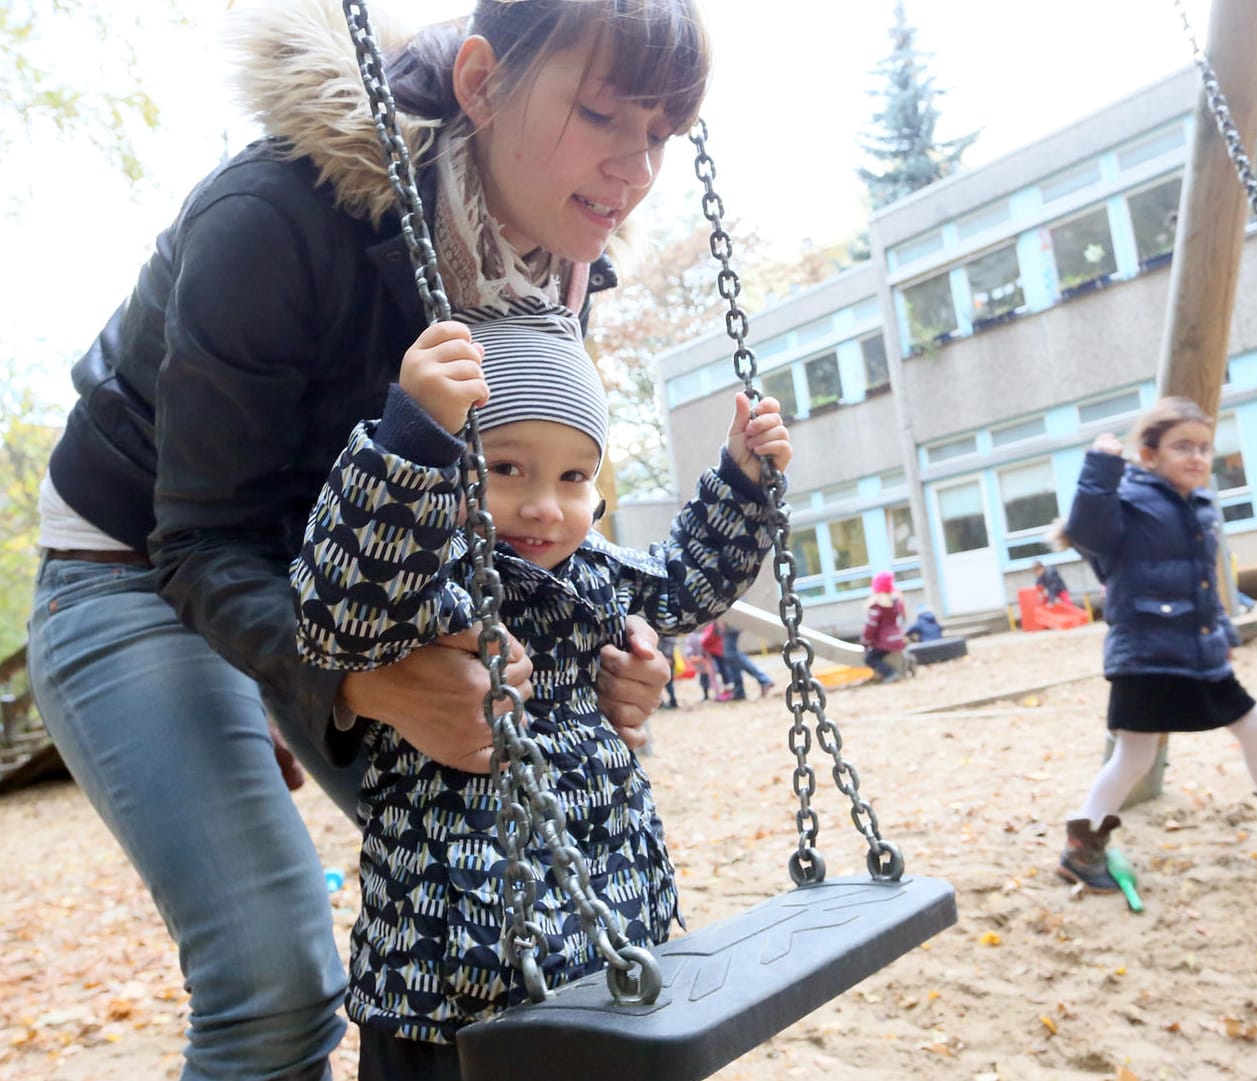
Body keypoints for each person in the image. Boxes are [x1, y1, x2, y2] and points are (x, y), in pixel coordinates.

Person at [26, 2, 706, 1077]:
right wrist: (364, 686)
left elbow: (523, 513)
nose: (636, 167)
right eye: (601, 114)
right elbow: (202, 538)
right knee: (275, 980)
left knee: (530, 912)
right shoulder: (277, 214)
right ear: (481, 81)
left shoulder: (560, 261)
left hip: (368, 588)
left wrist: (603, 651)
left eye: (662, 134)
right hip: (136, 570)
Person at [292, 303, 789, 1076]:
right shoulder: (427, 577)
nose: (541, 505)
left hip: (611, 913)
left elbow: (688, 581)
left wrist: (742, 482)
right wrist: (412, 438)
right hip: (447, 954)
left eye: (572, 476)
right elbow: (341, 610)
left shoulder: (600, 574)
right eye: (504, 467)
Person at [1057, 398, 1257, 893]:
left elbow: (1205, 584)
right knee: (1134, 756)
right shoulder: (1126, 501)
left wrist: (1223, 634)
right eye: (1181, 447)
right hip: (1147, 655)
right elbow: (1085, 531)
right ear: (1149, 455)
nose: (1196, 457)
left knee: (1254, 726)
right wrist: (1100, 467)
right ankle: (1080, 846)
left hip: (1197, 652)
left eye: (1203, 447)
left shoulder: (1199, 506)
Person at [861, 570, 909, 684]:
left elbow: (870, 628)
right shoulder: (896, 602)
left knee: (870, 658)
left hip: (884, 642)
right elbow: (901, 619)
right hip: (898, 639)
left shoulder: (876, 606)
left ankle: (890, 673)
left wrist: (865, 642)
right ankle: (907, 662)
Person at [717, 617, 776, 699]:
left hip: (730, 622)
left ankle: (764, 680)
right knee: (731, 657)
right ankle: (739, 691)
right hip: (731, 623)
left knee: (731, 654)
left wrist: (722, 620)